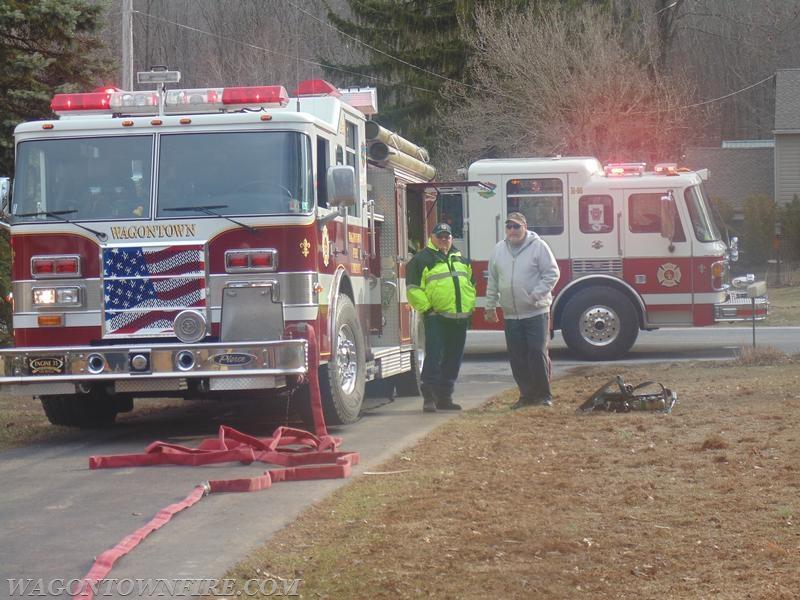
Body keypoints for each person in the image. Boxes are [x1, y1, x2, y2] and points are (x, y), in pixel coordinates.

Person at [485, 212, 560, 409]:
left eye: (516, 226)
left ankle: (544, 395)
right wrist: (490, 305)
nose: (512, 230)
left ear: (525, 227)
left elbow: (552, 273)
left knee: (536, 351)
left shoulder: (539, 247)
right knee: (517, 356)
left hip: (536, 312)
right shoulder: (498, 250)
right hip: (511, 314)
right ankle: (526, 395)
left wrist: (536, 295)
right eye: (509, 227)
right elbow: (493, 279)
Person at [406, 222, 476, 412]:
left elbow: (471, 285)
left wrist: (469, 309)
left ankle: (445, 397)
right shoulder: (421, 260)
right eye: (440, 236)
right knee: (434, 357)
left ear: (452, 238)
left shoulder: (462, 259)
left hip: (459, 318)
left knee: (453, 359)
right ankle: (429, 397)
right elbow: (413, 289)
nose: (444, 240)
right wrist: (428, 310)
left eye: (447, 236)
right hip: (436, 318)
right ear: (432, 237)